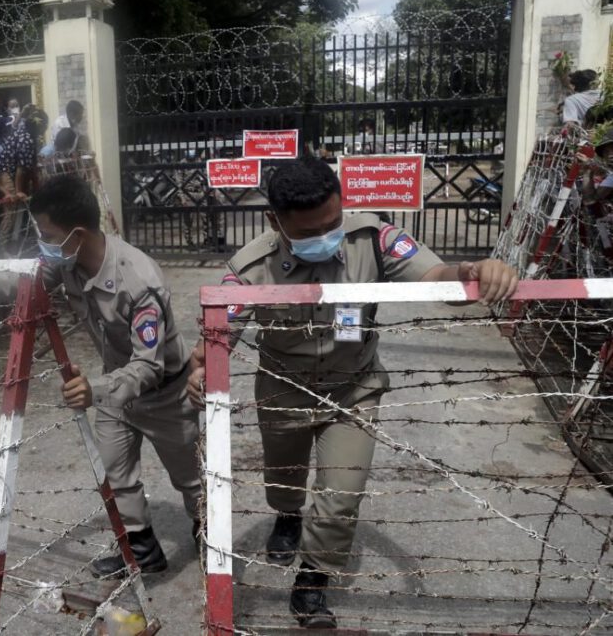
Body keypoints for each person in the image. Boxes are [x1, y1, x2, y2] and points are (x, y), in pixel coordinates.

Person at [185, 157, 518, 628]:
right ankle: (286, 516)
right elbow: (219, 333)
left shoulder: (374, 238)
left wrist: (472, 270)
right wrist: (200, 367)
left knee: (342, 493)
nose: (327, 236)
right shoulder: (249, 268)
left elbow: (433, 280)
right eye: (310, 232)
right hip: (283, 389)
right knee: (285, 473)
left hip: (352, 389)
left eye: (333, 224)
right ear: (274, 221)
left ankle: (313, 580)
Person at [0, 175, 203, 577]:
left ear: (77, 234)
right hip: (115, 389)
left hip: (166, 393)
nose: (42, 241)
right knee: (116, 474)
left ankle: (209, 536)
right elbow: (12, 284)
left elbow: (149, 365)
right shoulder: (64, 263)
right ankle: (141, 549)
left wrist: (95, 389)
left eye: (47, 233)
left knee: (190, 479)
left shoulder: (139, 280)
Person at [2, 107, 47, 197]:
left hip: (14, 174)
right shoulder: (27, 140)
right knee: (15, 204)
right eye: (45, 126)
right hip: (10, 175)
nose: (45, 129)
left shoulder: (25, 131)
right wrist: (18, 191)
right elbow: (21, 167)